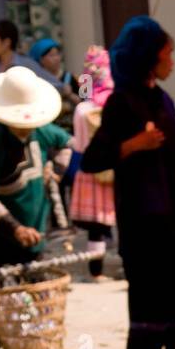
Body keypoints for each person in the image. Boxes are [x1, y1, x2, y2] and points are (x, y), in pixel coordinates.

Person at [80, 16, 175, 349]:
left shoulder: (163, 100)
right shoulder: (120, 103)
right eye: (167, 54)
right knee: (149, 304)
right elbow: (92, 159)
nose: (173, 61)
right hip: (142, 225)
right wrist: (134, 145)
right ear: (149, 57)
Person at [0, 67, 72, 349]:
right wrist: (15, 229)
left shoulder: (41, 132)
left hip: (31, 232)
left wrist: (56, 172)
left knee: (34, 295)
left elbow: (67, 143)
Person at [70, 46, 116, 281]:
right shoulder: (115, 102)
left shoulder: (82, 108)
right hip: (116, 171)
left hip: (90, 171)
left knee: (95, 229)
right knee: (123, 222)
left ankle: (96, 273)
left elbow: (78, 145)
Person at [28, 37, 79, 107]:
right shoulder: (37, 80)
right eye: (51, 55)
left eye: (57, 54)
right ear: (41, 60)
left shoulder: (69, 77)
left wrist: (70, 94)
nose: (56, 58)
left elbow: (81, 104)